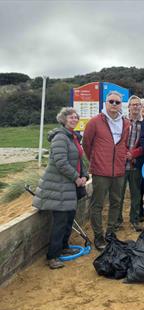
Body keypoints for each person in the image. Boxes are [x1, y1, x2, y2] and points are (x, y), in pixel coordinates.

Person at [33, 107, 88, 269]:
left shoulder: (73, 137)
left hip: (69, 187)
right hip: (59, 187)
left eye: (76, 117)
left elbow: (79, 159)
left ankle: (64, 248)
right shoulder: (60, 138)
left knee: (69, 218)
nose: (74, 119)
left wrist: (85, 175)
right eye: (70, 117)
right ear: (63, 119)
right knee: (60, 222)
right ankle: (53, 256)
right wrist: (76, 178)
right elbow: (60, 162)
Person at [83, 91, 130, 251]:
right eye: (111, 101)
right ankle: (98, 236)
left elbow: (124, 144)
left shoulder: (125, 123)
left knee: (116, 202)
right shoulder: (95, 122)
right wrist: (95, 161)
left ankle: (110, 233)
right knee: (97, 204)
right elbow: (86, 145)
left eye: (118, 102)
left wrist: (122, 158)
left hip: (118, 170)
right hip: (100, 172)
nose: (114, 105)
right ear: (105, 103)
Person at [117, 95, 144, 232]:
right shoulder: (122, 121)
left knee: (136, 194)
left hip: (135, 164)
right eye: (133, 104)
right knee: (118, 194)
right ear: (129, 107)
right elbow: (118, 140)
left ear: (141, 107)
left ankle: (134, 220)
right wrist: (126, 153)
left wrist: (133, 154)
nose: (136, 107)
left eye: (138, 104)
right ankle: (117, 221)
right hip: (121, 164)